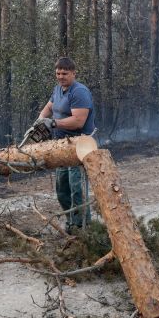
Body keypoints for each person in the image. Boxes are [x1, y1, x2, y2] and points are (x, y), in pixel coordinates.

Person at [36, 57, 96, 233]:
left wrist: (53, 123)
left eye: (65, 73)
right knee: (62, 188)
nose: (61, 76)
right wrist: (39, 122)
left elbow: (78, 121)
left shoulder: (79, 92)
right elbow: (47, 108)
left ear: (73, 73)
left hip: (80, 145)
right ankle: (71, 222)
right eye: (58, 73)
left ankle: (83, 227)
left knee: (76, 188)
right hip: (60, 145)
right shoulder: (58, 90)